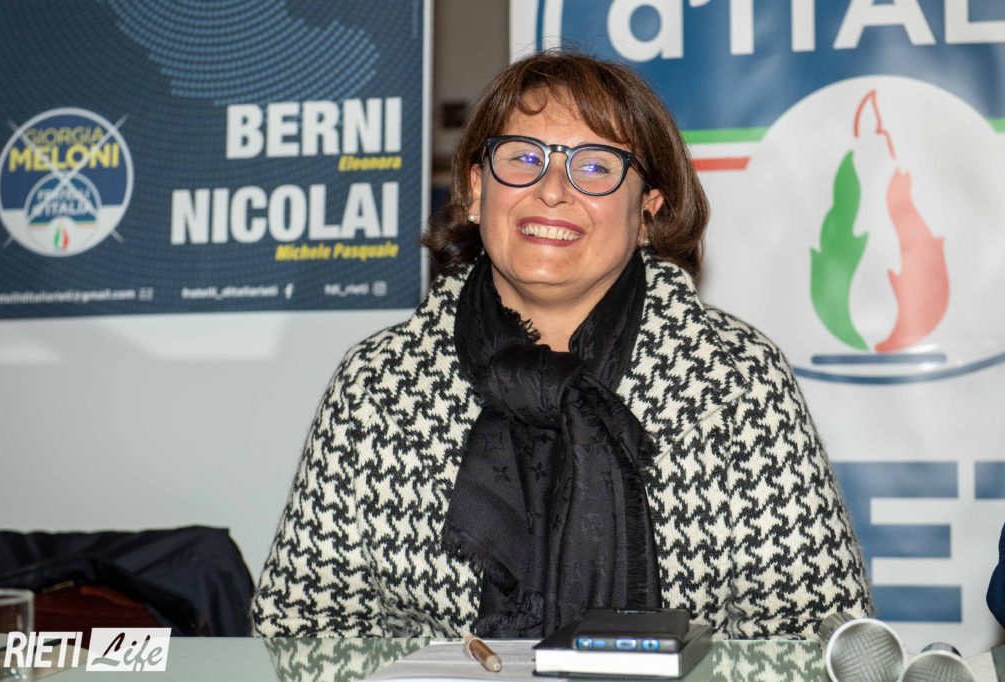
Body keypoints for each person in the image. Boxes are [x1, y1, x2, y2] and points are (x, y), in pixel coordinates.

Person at [252, 50, 873, 640]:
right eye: (523, 158)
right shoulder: (379, 383)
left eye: (596, 166)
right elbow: (299, 632)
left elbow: (813, 640)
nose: (552, 189)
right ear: (476, 191)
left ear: (648, 212)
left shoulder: (734, 380)